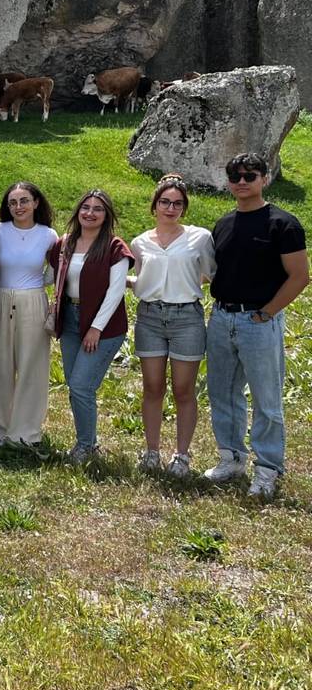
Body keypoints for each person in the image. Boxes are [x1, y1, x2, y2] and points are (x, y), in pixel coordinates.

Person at [202, 153, 308, 500]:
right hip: (221, 318)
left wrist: (266, 313)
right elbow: (216, 272)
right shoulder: (223, 223)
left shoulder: (283, 223)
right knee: (223, 393)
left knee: (266, 399)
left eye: (250, 175)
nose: (241, 181)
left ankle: (267, 469)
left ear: (265, 178)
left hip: (258, 321)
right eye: (234, 175)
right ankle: (230, 458)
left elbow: (299, 276)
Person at [129, 174, 215, 477]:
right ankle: (151, 451)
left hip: (186, 318)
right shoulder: (139, 242)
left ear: (184, 208)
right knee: (152, 387)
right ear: (154, 206)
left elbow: (210, 274)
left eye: (178, 203)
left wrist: (183, 284)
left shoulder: (199, 238)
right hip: (150, 317)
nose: (171, 208)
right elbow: (141, 278)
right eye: (165, 202)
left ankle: (181, 455)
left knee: (183, 389)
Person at [47, 190, 133, 463]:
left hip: (104, 326)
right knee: (75, 385)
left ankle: (86, 447)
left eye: (98, 209)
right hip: (71, 320)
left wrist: (96, 328)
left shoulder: (114, 246)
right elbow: (49, 276)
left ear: (106, 215)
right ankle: (86, 443)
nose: (90, 213)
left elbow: (116, 292)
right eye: (85, 207)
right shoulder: (65, 243)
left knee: (82, 385)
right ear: (78, 211)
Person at [0, 181, 58, 445]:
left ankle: (25, 432)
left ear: (36, 203)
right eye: (12, 202)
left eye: (24, 201)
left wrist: (42, 281)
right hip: (0, 299)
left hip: (34, 300)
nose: (18, 207)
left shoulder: (48, 235)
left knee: (31, 366)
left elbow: (56, 268)